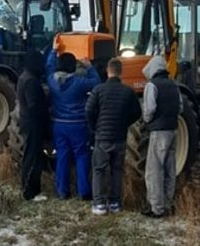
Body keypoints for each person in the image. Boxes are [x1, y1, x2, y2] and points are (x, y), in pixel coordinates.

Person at [85, 57, 141, 215]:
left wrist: (94, 128)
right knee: (117, 170)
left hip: (102, 136)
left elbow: (88, 110)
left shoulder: (98, 90)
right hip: (120, 137)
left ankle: (99, 205)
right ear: (121, 72)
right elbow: (137, 113)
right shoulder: (128, 91)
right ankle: (115, 203)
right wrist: (124, 123)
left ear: (107, 72)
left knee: (99, 170)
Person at [46, 48, 100, 200]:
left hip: (59, 124)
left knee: (62, 156)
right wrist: (89, 66)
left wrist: (53, 52)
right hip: (78, 124)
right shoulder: (79, 83)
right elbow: (96, 83)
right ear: (73, 67)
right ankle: (84, 192)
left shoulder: (52, 81)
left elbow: (49, 67)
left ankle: (62, 191)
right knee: (81, 156)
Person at [140, 54, 180, 217]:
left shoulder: (152, 85)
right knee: (170, 169)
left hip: (159, 132)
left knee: (154, 170)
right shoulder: (174, 85)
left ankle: (156, 208)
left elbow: (149, 110)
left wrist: (148, 121)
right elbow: (181, 108)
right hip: (173, 131)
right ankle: (169, 203)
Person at [16, 49, 48, 202]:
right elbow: (34, 105)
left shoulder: (24, 77)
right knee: (32, 157)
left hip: (27, 122)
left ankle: (31, 189)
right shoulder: (31, 81)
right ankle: (30, 192)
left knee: (33, 156)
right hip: (33, 124)